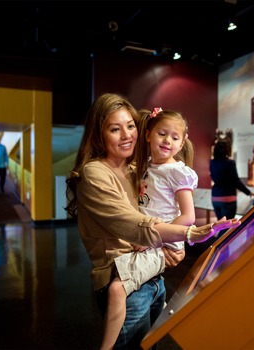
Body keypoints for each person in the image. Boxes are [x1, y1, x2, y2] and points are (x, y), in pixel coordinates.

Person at [65, 93, 239, 349]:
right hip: (124, 283)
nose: (126, 135)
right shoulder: (95, 173)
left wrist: (169, 245)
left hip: (155, 278)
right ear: (99, 134)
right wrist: (185, 234)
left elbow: (161, 215)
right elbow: (131, 224)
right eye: (115, 129)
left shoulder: (138, 169)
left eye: (131, 126)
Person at [99, 107, 198, 350]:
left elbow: (188, 216)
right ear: (148, 134)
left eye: (175, 137)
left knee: (117, 288)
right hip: (148, 240)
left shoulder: (177, 172)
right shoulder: (147, 166)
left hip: (158, 242)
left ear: (183, 141)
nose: (168, 141)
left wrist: (149, 239)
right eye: (162, 134)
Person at [210, 139, 253, 221]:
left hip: (215, 197)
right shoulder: (230, 163)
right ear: (228, 150)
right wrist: (248, 192)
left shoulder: (212, 162)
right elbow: (236, 181)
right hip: (228, 198)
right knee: (227, 228)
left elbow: (214, 177)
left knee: (221, 225)